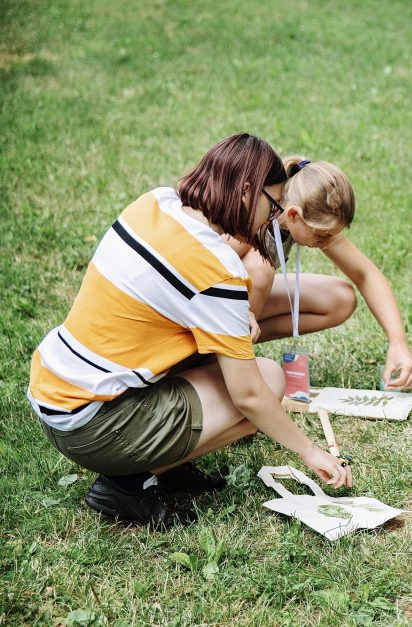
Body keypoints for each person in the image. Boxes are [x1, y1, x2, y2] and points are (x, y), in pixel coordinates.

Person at [27, 133, 352, 528]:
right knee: (268, 379)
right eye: (273, 205)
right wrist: (310, 452)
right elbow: (249, 395)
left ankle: (166, 464)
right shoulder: (216, 269)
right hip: (93, 425)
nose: (272, 218)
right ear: (248, 191)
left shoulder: (153, 203)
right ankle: (129, 484)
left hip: (56, 396)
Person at [225, 157, 412, 391]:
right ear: (294, 215)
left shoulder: (299, 213)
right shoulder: (253, 215)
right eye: (321, 236)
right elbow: (198, 269)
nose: (325, 243)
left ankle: (237, 345)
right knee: (261, 268)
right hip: (207, 310)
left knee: (340, 298)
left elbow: (366, 274)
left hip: (242, 307)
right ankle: (223, 361)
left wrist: (398, 343)